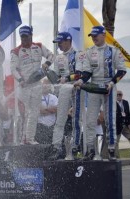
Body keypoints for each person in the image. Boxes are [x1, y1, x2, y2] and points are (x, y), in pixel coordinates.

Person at [74, 26, 127, 160]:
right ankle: (91, 149)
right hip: (94, 86)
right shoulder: (89, 52)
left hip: (109, 86)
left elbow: (122, 71)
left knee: (110, 120)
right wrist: (80, 81)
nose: (94, 38)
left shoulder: (113, 51)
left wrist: (112, 83)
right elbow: (87, 73)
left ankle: (111, 149)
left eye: (96, 35)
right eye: (92, 36)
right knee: (90, 120)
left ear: (104, 35)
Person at [10, 25, 54, 145]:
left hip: (37, 84)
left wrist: (47, 64)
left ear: (31, 35)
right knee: (24, 113)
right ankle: (20, 140)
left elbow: (51, 55)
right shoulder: (16, 51)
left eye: (26, 36)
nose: (24, 39)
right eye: (22, 36)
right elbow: (13, 69)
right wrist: (20, 80)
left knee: (34, 112)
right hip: (24, 86)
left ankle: (30, 139)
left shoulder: (38, 46)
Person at [51, 32, 86, 160]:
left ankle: (75, 146)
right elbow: (55, 76)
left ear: (68, 41)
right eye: (58, 43)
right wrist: (48, 77)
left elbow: (80, 73)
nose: (59, 45)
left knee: (76, 119)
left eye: (60, 42)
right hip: (63, 89)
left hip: (76, 87)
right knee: (60, 119)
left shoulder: (79, 54)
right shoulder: (58, 58)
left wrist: (65, 78)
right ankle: (56, 147)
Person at [116, 90, 130, 158]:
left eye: (119, 94)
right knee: (115, 142)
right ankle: (117, 157)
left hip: (125, 124)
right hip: (117, 125)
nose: (118, 96)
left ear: (122, 95)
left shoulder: (125, 102)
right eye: (117, 95)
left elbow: (128, 114)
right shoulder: (113, 103)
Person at [35, 78, 58, 144]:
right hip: (40, 127)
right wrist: (51, 109)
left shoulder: (54, 97)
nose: (45, 85)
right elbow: (39, 110)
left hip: (51, 127)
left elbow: (57, 109)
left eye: (47, 83)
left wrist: (45, 109)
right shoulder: (36, 97)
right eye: (43, 83)